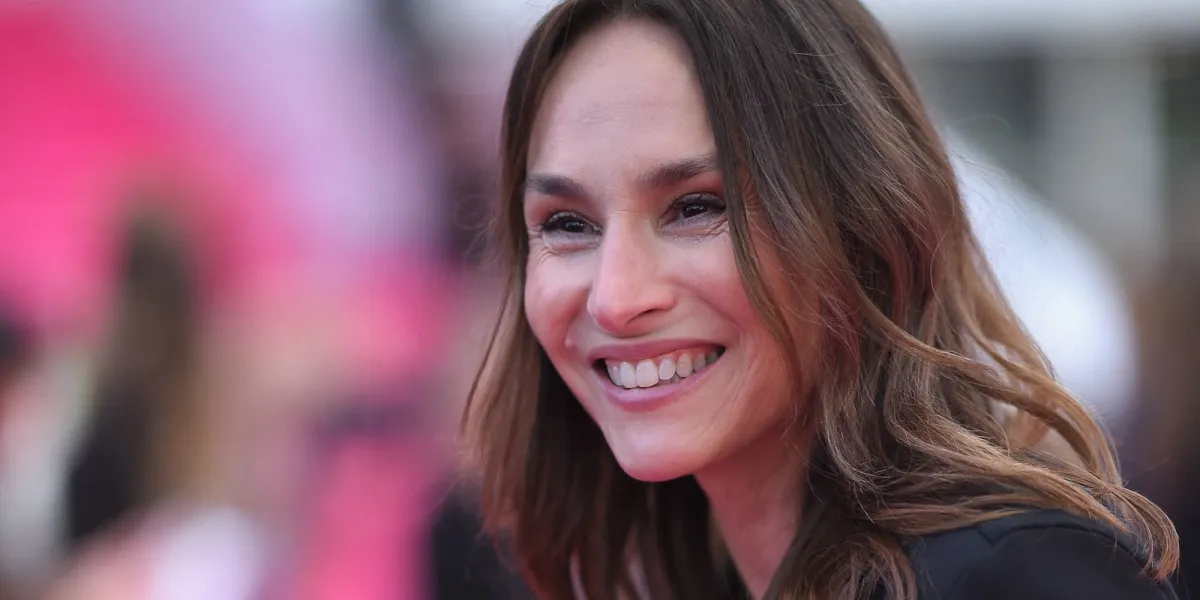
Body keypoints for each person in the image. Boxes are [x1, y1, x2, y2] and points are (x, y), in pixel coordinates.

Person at [459, 1, 1180, 599]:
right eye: (567, 224)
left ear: (863, 231)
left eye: (697, 208)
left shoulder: (1016, 578)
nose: (616, 299)